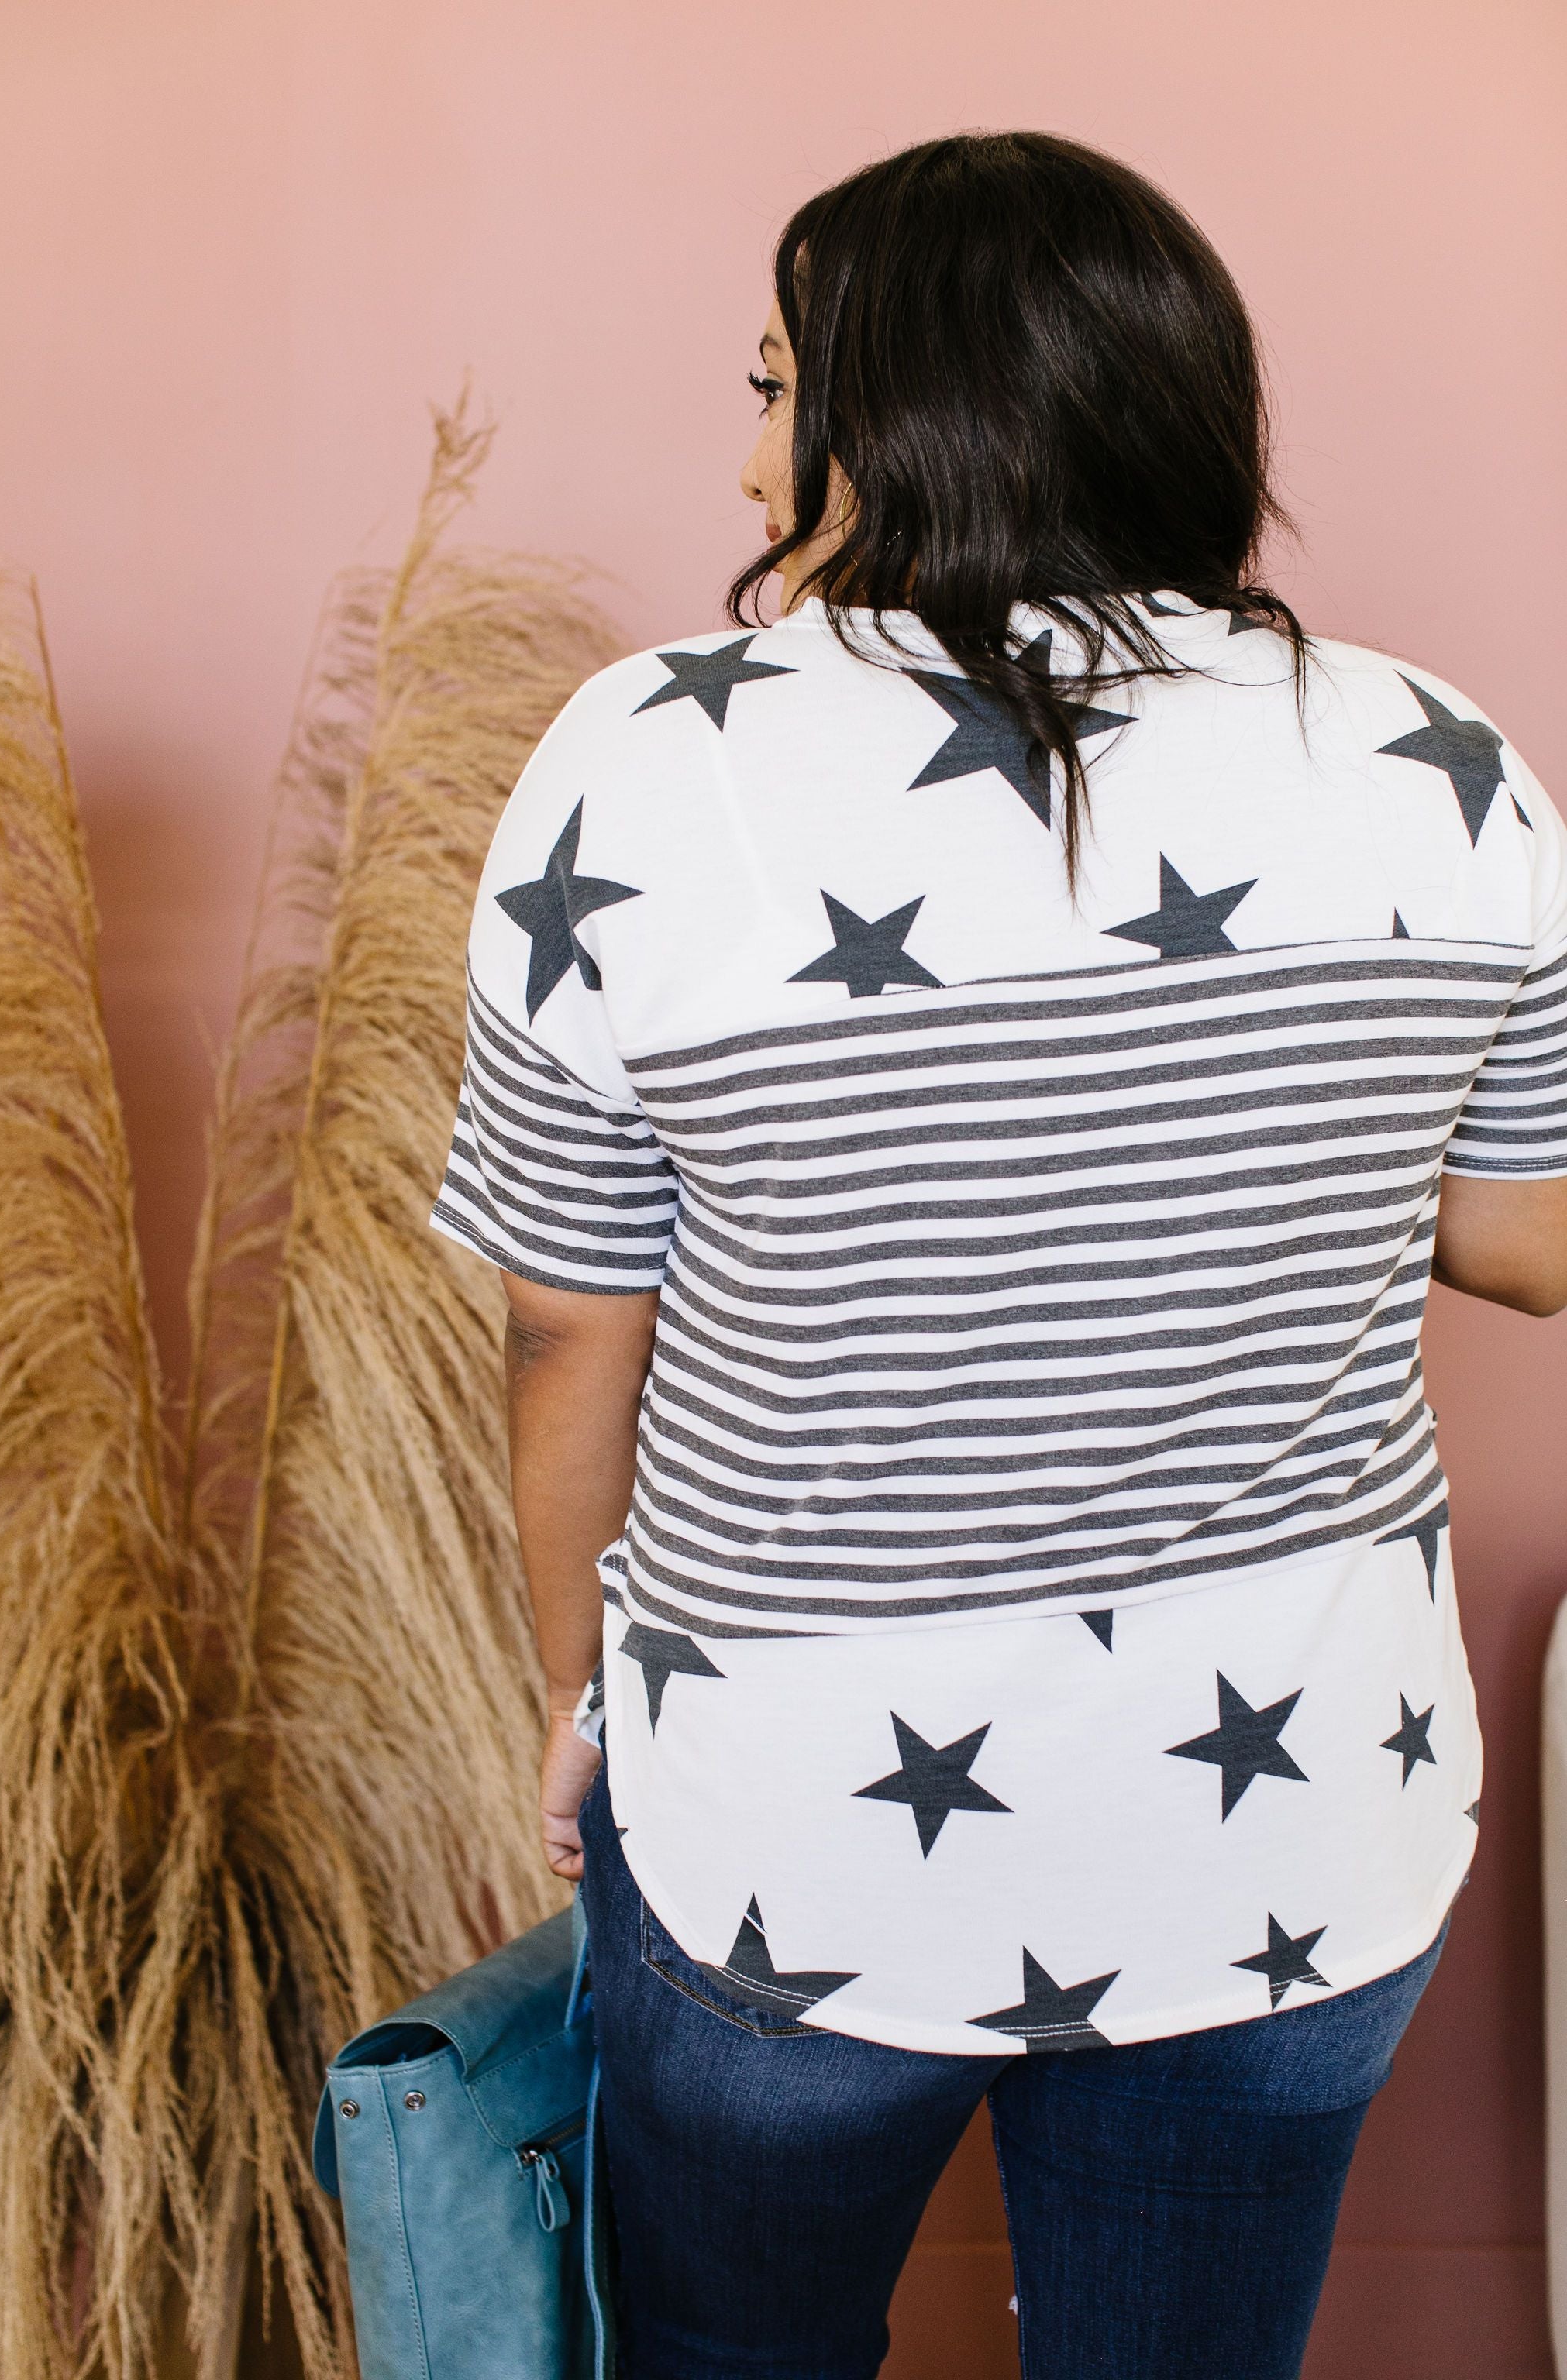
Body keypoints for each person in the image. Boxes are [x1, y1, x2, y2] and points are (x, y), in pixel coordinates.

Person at [432, 132, 1567, 2380]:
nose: (750, 446)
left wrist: (579, 1703)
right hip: (1289, 1826)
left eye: (774, 386)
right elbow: (1528, 1249)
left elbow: (573, 1327)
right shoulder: (1439, 759)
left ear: (898, 421)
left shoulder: (649, 769)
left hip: (784, 1821)